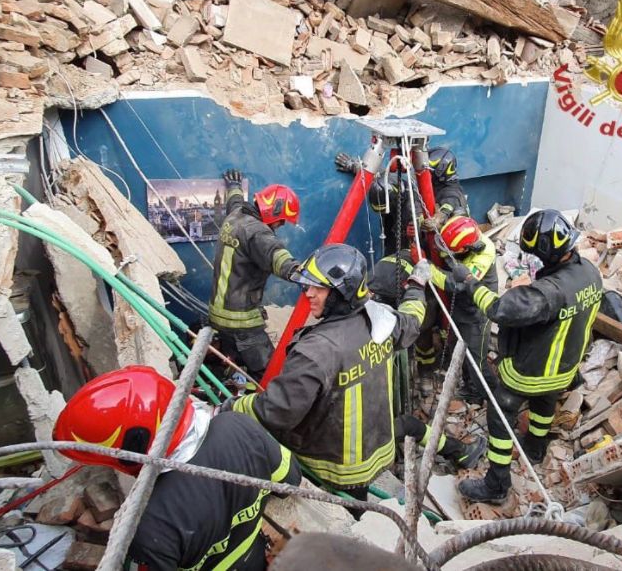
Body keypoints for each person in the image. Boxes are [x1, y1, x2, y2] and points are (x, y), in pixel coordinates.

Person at [229, 243, 430, 497]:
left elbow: (277, 411)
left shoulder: (316, 351)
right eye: (308, 285)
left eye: (319, 288)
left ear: (342, 293)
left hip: (330, 467)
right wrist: (417, 285)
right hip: (376, 451)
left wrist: (233, 406)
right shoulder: (383, 322)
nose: (308, 294)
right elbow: (412, 318)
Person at [53, 365, 301, 571]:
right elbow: (290, 480)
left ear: (131, 453)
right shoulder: (239, 426)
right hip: (254, 558)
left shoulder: (146, 527)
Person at [452, 210, 603, 503]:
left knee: (499, 414)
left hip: (531, 373)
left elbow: (499, 309)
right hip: (564, 369)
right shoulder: (589, 273)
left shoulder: (547, 293)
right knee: (544, 404)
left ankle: (496, 484)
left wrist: (469, 282)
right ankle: (535, 447)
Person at [209, 169, 301, 382]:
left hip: (217, 315)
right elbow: (277, 256)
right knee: (269, 374)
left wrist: (234, 187)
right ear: (273, 212)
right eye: (281, 220)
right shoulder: (257, 232)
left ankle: (237, 387)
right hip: (241, 322)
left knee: (237, 365)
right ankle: (260, 399)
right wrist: (301, 274)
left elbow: (234, 202)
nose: (281, 225)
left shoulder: (235, 215)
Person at [416, 215, 499, 405]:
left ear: (465, 249)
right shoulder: (460, 232)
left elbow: (457, 284)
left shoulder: (483, 256)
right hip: (462, 308)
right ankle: (471, 389)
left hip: (477, 313)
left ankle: (495, 398)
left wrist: (428, 269)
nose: (444, 253)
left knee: (476, 360)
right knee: (458, 349)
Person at [394, 414, 486, 470]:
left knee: (406, 425)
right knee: (409, 425)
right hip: (385, 444)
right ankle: (460, 452)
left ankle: (458, 451)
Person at [420, 147, 470, 234]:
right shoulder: (438, 186)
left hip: (453, 237)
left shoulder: (452, 192)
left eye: (429, 172)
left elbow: (447, 206)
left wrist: (437, 220)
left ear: (440, 171)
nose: (426, 174)